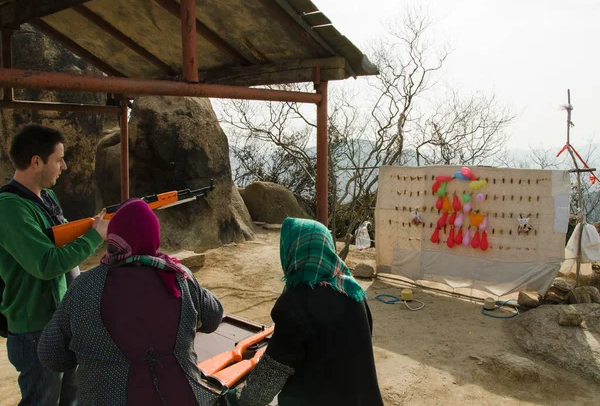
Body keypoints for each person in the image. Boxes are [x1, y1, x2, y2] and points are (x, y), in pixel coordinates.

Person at [38, 198, 225, 405]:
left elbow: (51, 355)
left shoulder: (84, 286)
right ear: (154, 237)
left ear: (112, 240)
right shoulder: (180, 277)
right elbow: (214, 315)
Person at [0, 124, 109, 405]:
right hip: (34, 329)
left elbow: (58, 242)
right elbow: (46, 264)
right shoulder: (10, 207)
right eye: (58, 158)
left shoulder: (45, 198)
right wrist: (93, 237)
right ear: (36, 161)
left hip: (60, 321)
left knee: (70, 398)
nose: (64, 165)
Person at [225, 217, 383, 406]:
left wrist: (234, 399)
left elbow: (266, 383)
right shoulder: (354, 292)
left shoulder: (295, 304)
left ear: (291, 251)